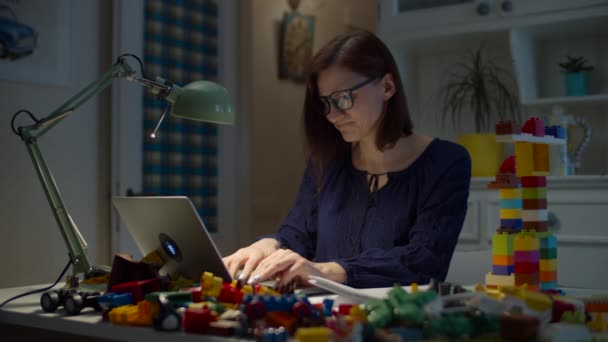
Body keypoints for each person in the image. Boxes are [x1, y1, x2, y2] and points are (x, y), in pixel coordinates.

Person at [223, 30, 471, 289]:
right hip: (329, 319)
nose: (332, 115)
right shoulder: (326, 161)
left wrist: (325, 270)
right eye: (325, 103)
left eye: (343, 98)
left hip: (400, 322)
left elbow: (424, 261)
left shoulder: (447, 162)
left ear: (387, 87)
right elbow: (298, 234)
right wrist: (268, 245)